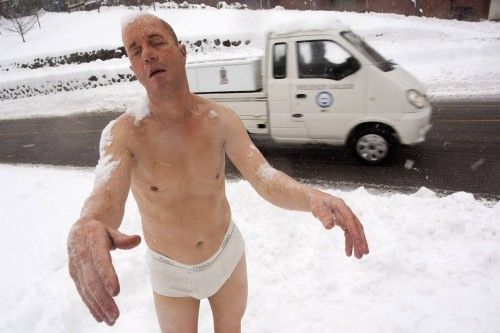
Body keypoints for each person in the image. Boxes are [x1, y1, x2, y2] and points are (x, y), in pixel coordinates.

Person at [67, 13, 369, 332]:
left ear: (182, 52)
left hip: (227, 256)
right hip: (170, 273)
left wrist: (311, 197)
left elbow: (263, 176)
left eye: (156, 42)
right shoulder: (124, 134)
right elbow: (106, 196)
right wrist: (90, 222)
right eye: (135, 50)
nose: (147, 54)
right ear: (133, 69)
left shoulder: (218, 119)